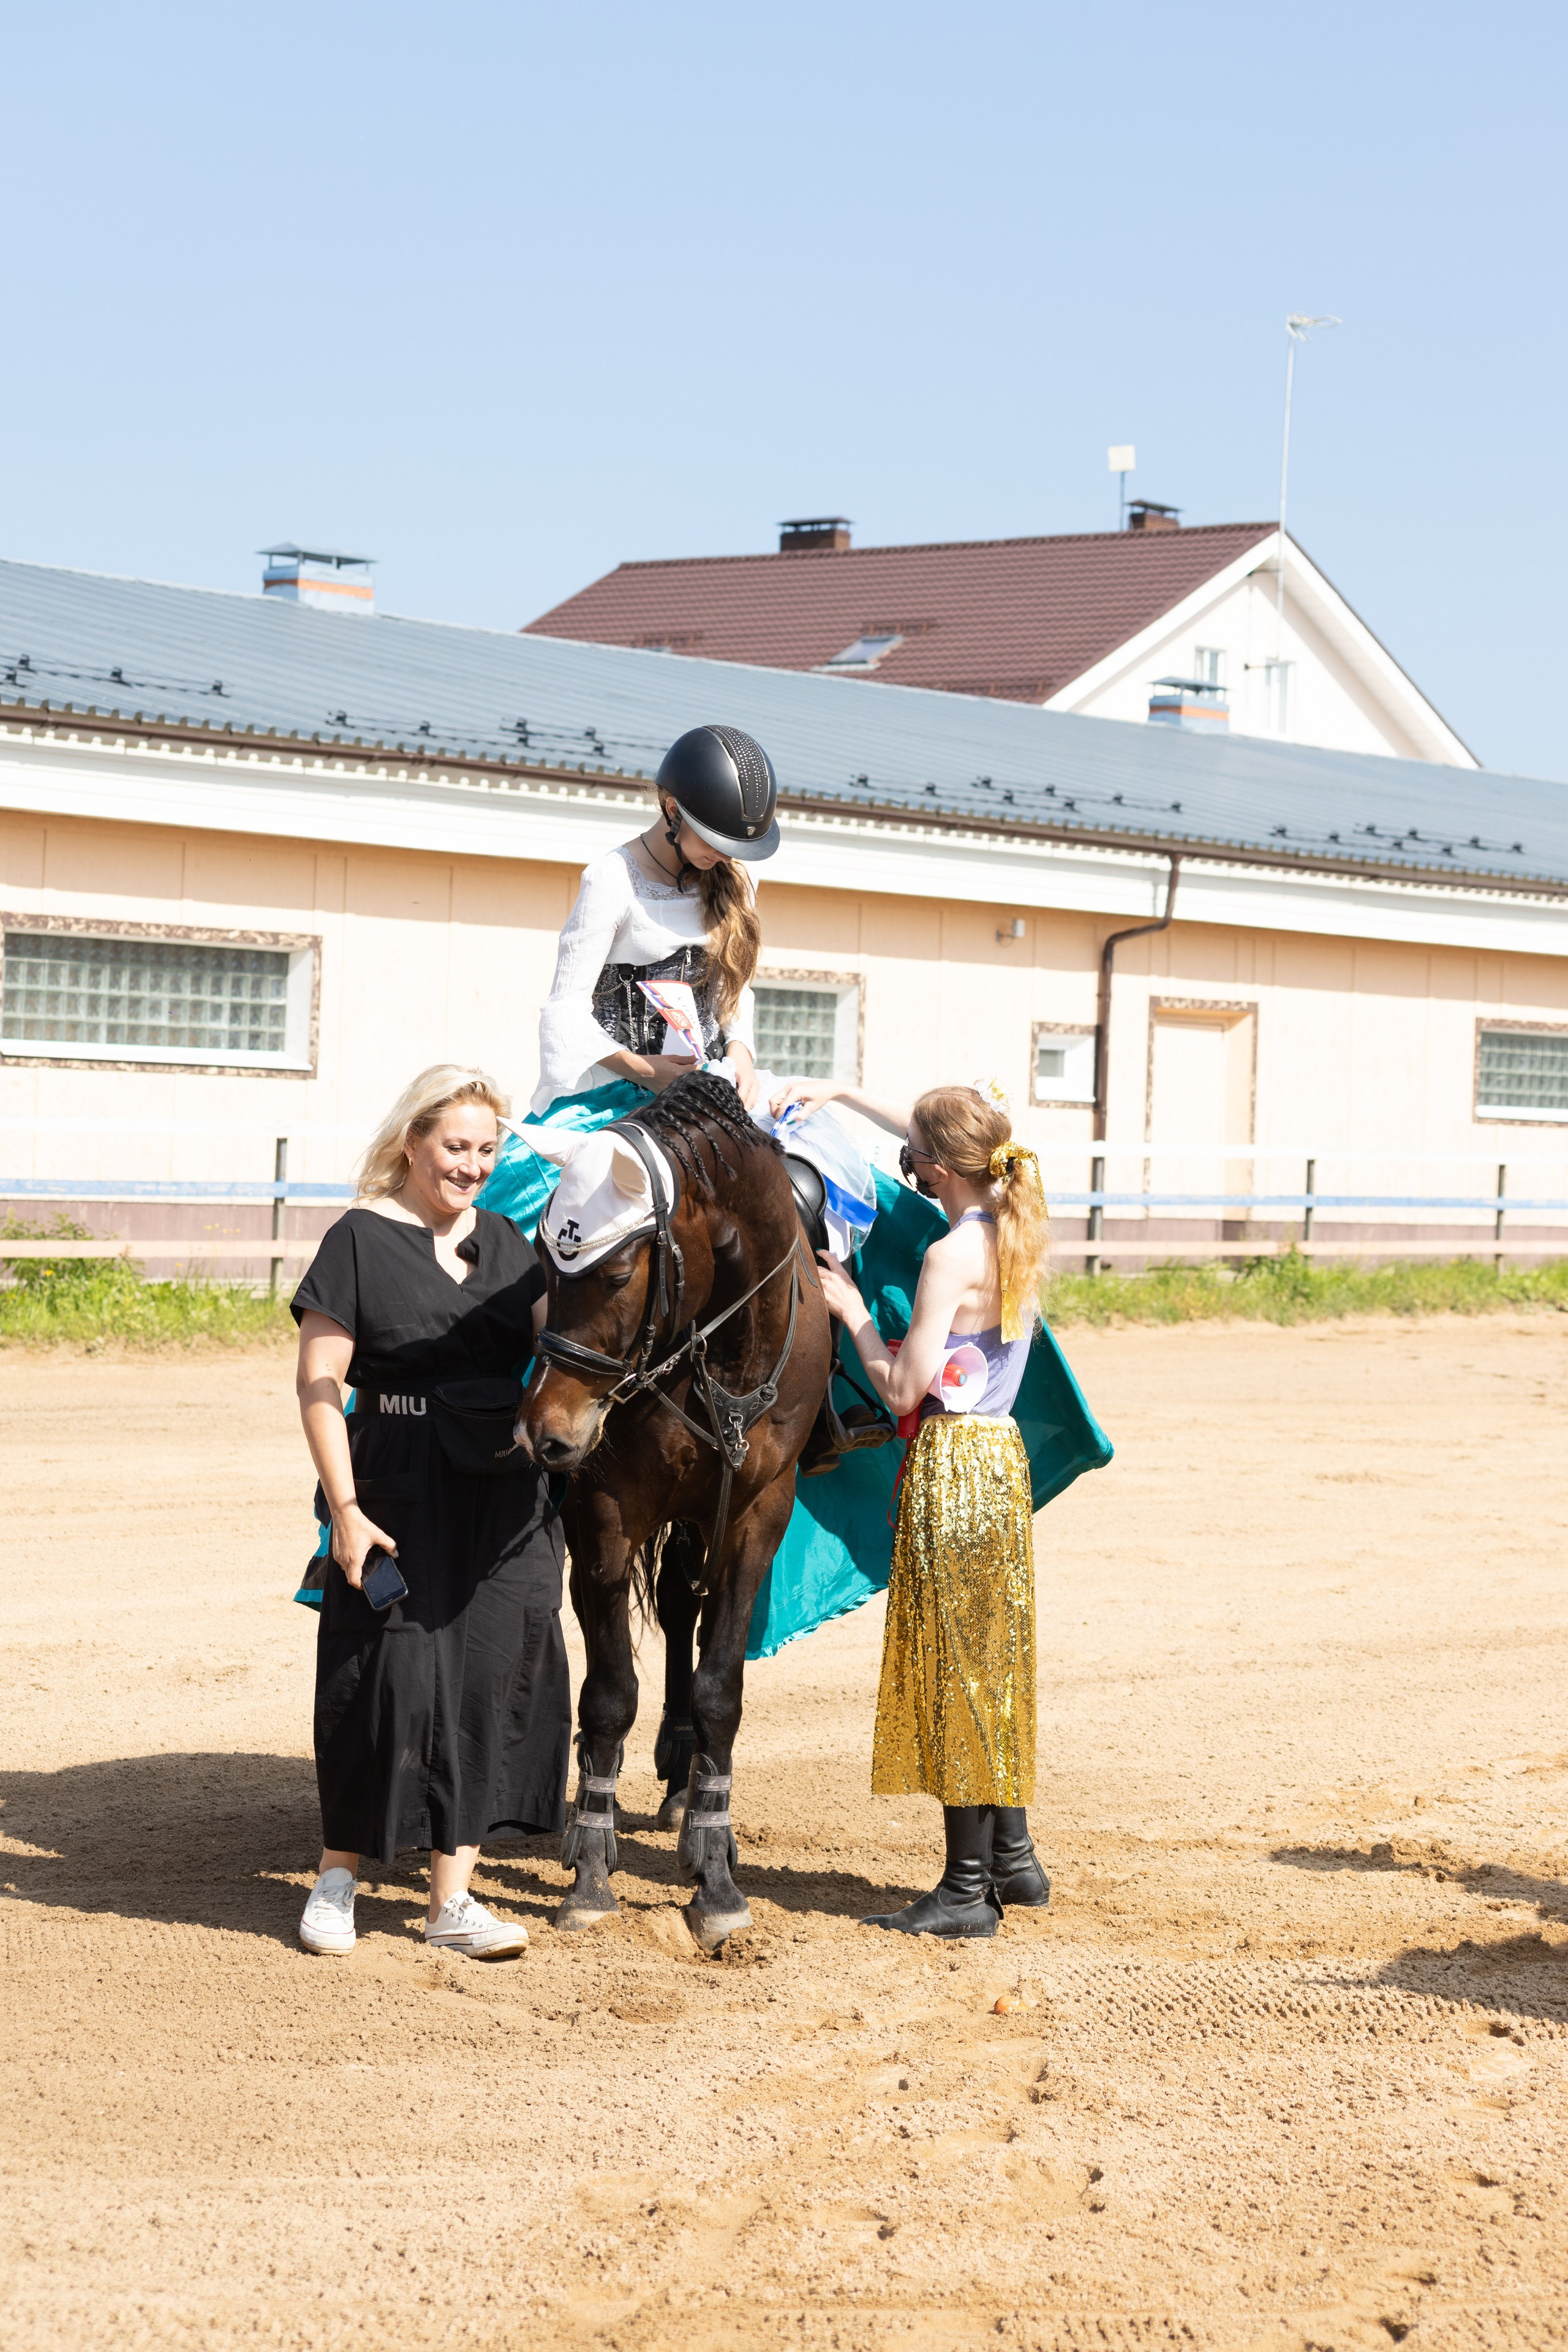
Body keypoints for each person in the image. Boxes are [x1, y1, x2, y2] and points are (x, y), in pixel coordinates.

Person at [291, 1066, 570, 1959]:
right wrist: (346, 1509)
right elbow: (318, 1383)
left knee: (494, 1672)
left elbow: (564, 1344)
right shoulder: (360, 1239)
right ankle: (338, 1880)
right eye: (456, 1147)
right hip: (395, 1485)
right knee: (384, 1677)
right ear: (413, 1142)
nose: (472, 1166)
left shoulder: (505, 1239)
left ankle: (453, 1900)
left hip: (503, 1488)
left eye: (488, 1150)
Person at [780, 1076, 1055, 1939]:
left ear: (935, 1169)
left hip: (950, 1464)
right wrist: (846, 1092)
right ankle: (1012, 1858)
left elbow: (902, 1384)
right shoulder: (1017, 1221)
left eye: (918, 1161)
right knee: (991, 1659)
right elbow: (947, 1137)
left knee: (956, 1671)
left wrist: (858, 1316)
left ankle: (966, 1889)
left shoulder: (948, 1257)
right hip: (999, 1458)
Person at [531, 722, 780, 1119]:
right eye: (714, 840)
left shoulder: (739, 879)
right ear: (672, 811)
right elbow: (565, 1011)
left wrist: (742, 1057)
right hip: (615, 1089)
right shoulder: (611, 879)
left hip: (710, 1084)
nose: (726, 855)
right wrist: (645, 1071)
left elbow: (734, 997)